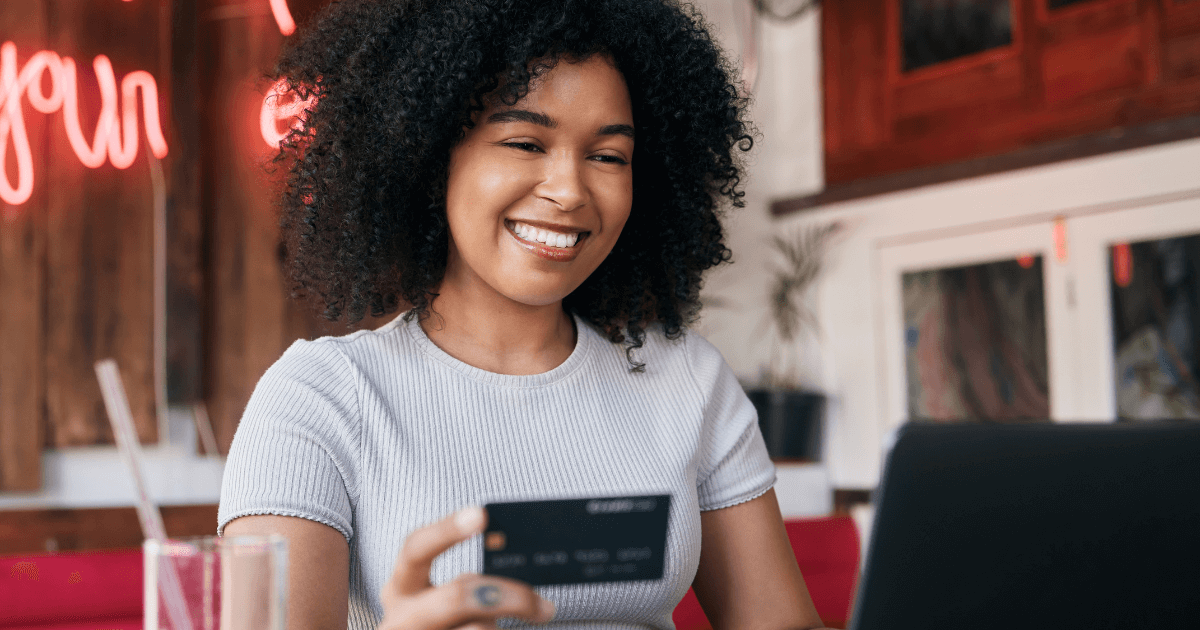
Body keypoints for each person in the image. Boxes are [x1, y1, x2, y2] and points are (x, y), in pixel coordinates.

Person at [218, 0, 830, 628]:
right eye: (523, 142)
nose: (568, 189)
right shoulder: (320, 401)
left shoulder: (687, 383)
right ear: (429, 156)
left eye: (609, 156)